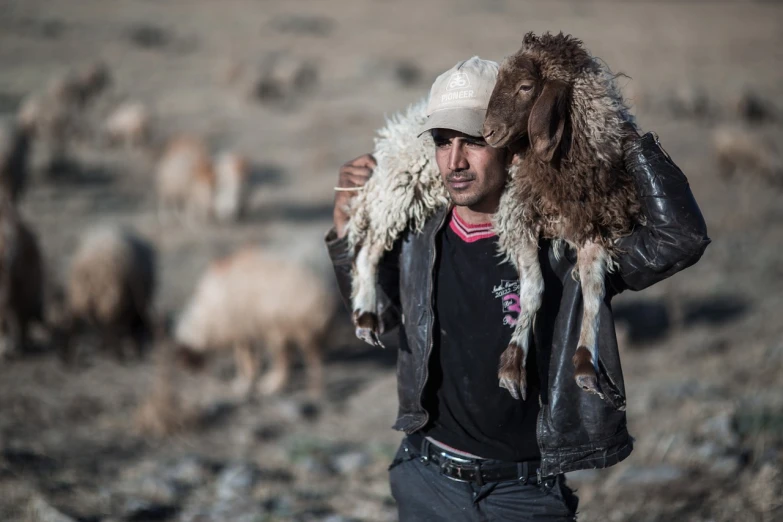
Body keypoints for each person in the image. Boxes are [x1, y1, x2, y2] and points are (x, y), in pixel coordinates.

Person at [325, 56, 709, 521]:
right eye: (443, 142)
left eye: (475, 141)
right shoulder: (419, 237)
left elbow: (679, 239)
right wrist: (346, 225)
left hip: (525, 498)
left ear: (512, 142)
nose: (456, 161)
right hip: (427, 484)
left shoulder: (565, 245)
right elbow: (385, 328)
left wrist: (615, 132)